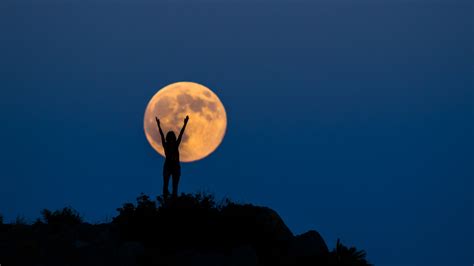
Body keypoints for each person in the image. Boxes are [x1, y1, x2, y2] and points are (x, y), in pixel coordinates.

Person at [155, 115, 189, 198]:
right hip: (168, 166)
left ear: (173, 138)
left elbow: (181, 134)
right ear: (168, 138)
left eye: (172, 138)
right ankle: (166, 199)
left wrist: (185, 124)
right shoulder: (166, 145)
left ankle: (173, 200)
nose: (171, 139)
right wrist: (158, 125)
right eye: (169, 138)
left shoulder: (175, 144)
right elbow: (161, 135)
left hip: (176, 167)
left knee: (175, 187)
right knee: (166, 185)